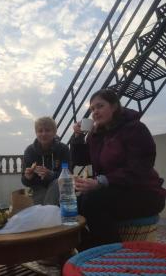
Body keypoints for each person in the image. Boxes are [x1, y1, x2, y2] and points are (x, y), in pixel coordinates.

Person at [71, 88, 166, 248]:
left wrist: (101, 181)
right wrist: (77, 137)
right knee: (72, 205)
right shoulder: (96, 134)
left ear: (114, 106)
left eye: (100, 106)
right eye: (92, 109)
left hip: (145, 193)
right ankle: (87, 249)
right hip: (115, 192)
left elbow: (140, 168)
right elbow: (81, 159)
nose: (95, 112)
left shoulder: (135, 129)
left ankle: (113, 255)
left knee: (92, 201)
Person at [22, 116, 70, 205]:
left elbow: (67, 175)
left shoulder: (63, 149)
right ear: (36, 133)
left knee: (56, 184)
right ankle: (47, 213)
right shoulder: (30, 151)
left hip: (59, 189)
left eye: (47, 130)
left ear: (54, 132)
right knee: (40, 194)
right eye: (40, 131)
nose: (43, 134)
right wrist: (28, 177)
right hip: (38, 189)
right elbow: (25, 181)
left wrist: (50, 174)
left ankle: (47, 213)